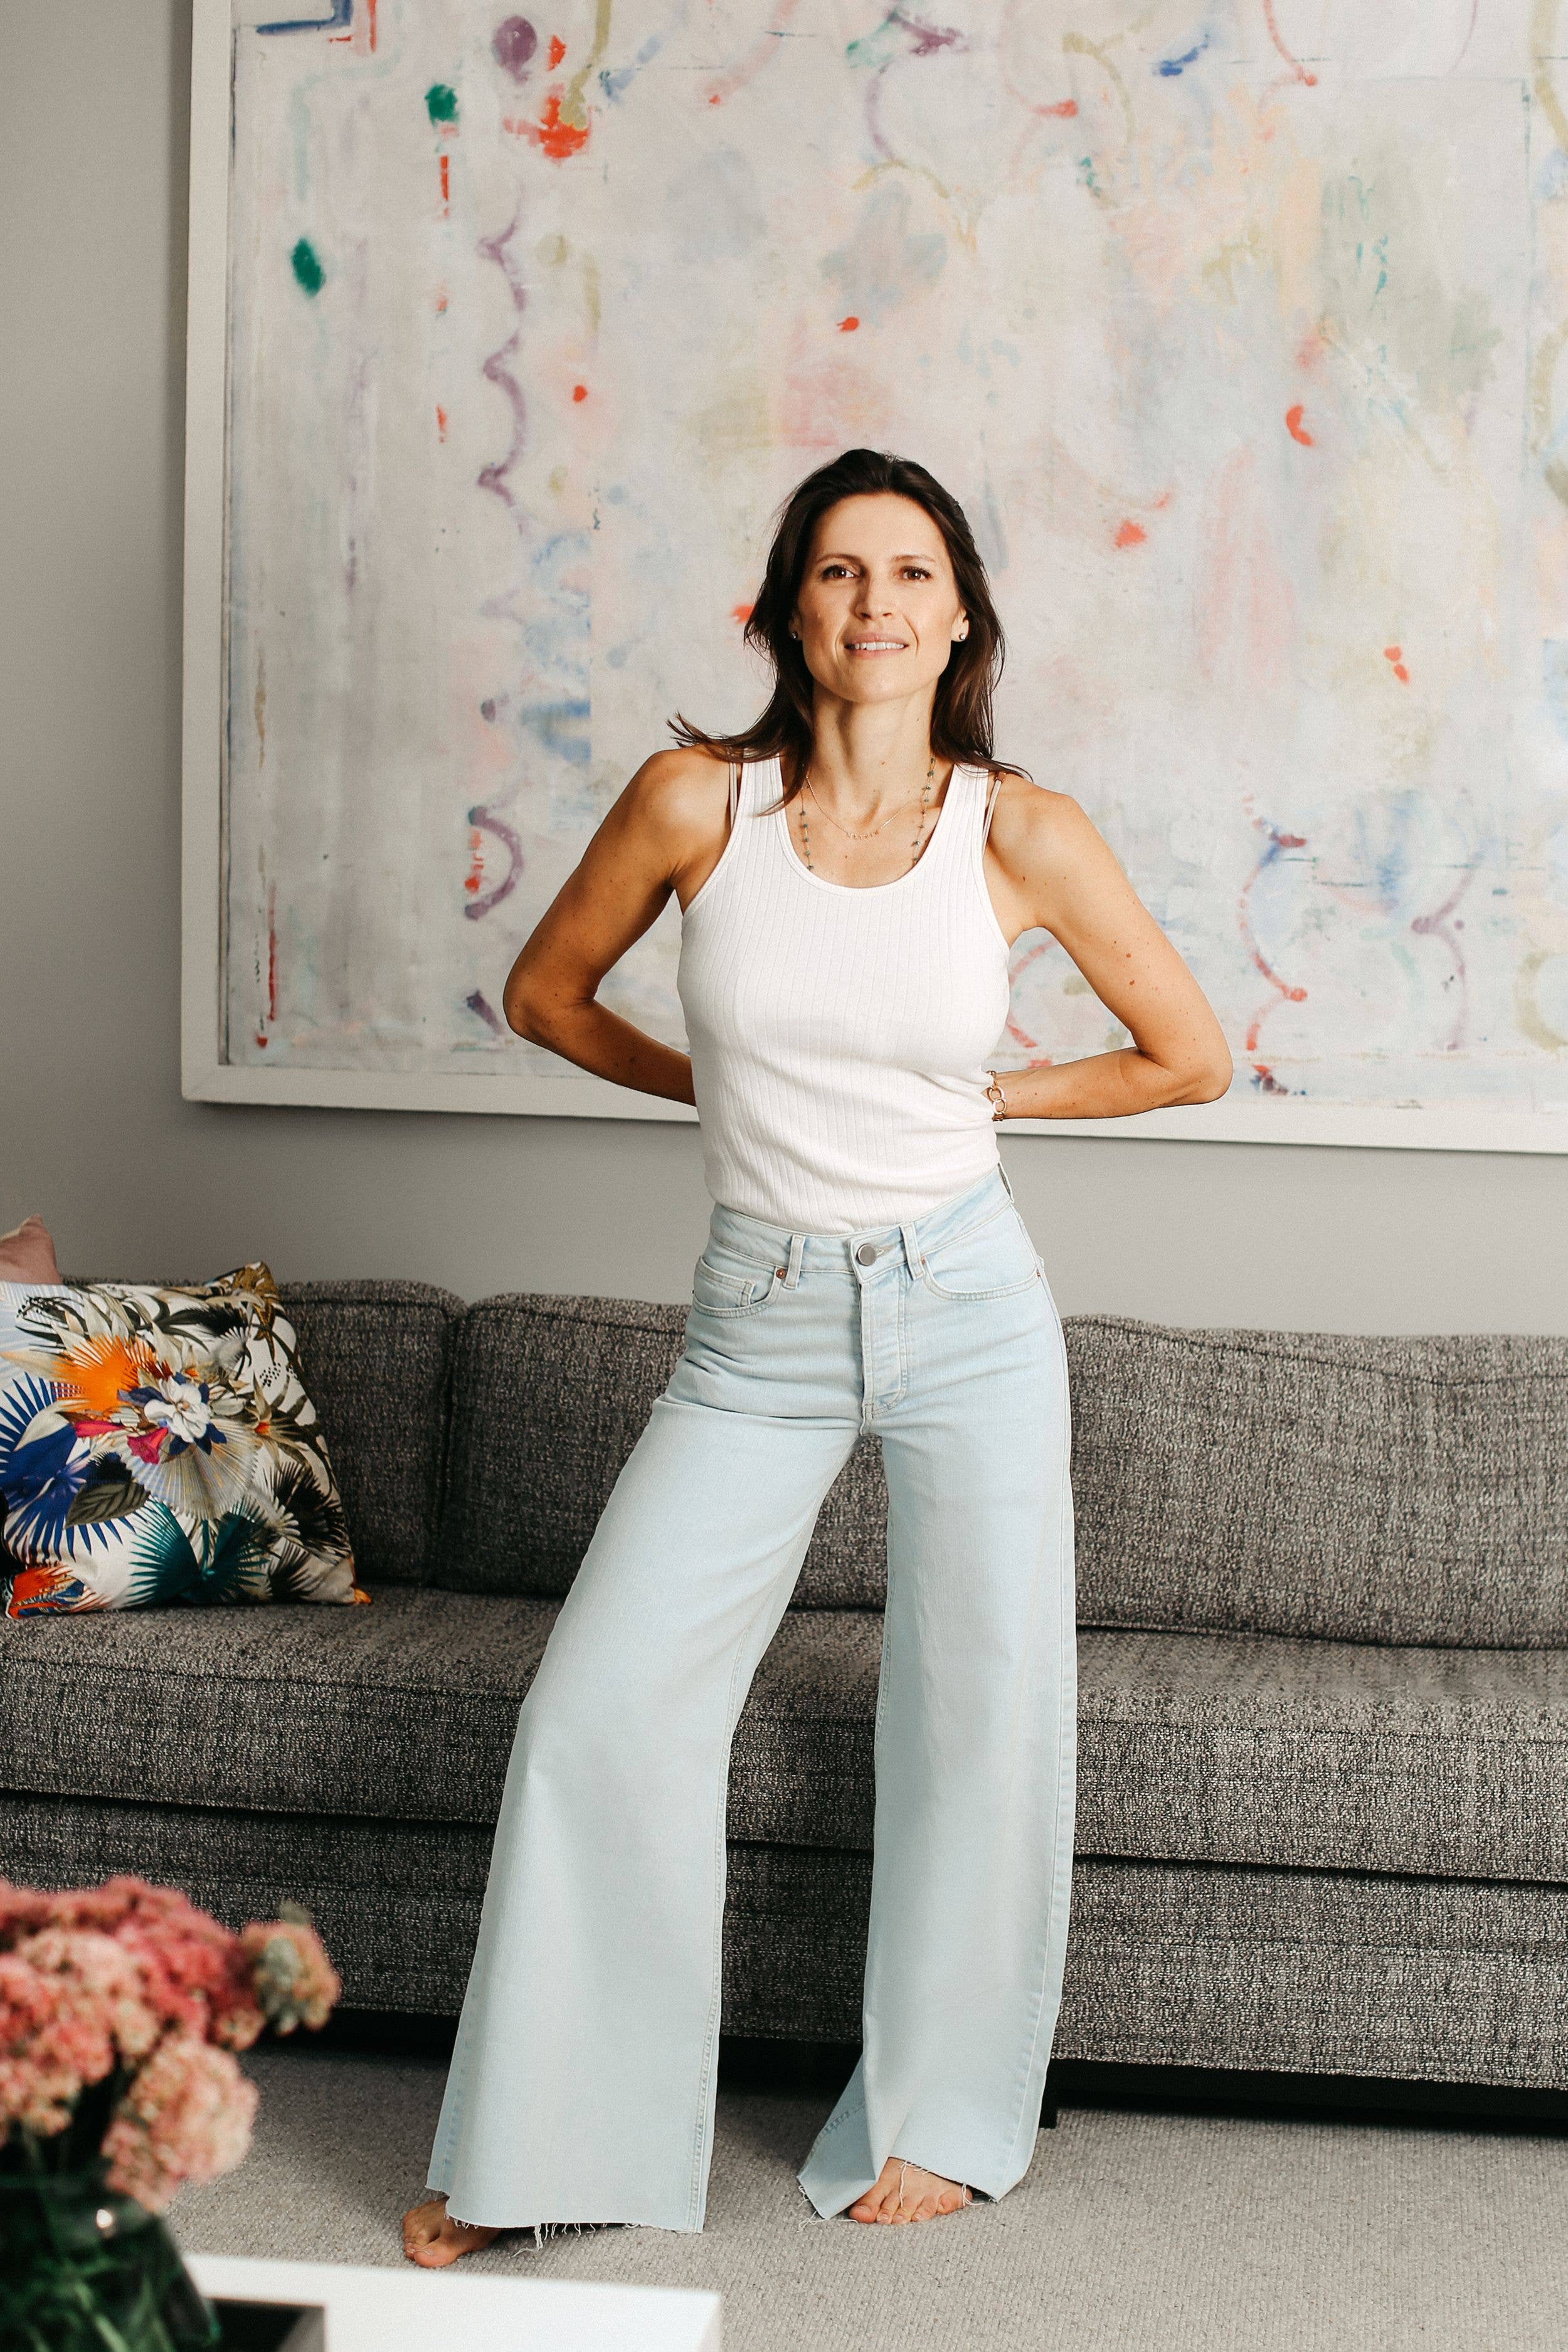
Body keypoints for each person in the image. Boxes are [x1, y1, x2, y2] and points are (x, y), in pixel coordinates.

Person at [402, 446, 1232, 2264]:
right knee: (599, 1710)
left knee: (977, 1715)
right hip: (754, 1323)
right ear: (785, 605)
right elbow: (547, 997)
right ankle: (543, 2152)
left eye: (910, 570)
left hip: (968, 1312)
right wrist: (730, 1091)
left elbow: (1187, 1054)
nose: (875, 601)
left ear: (959, 613)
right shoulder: (699, 805)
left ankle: (941, 2113)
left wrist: (983, 1096)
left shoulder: (1021, 831)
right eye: (839, 570)